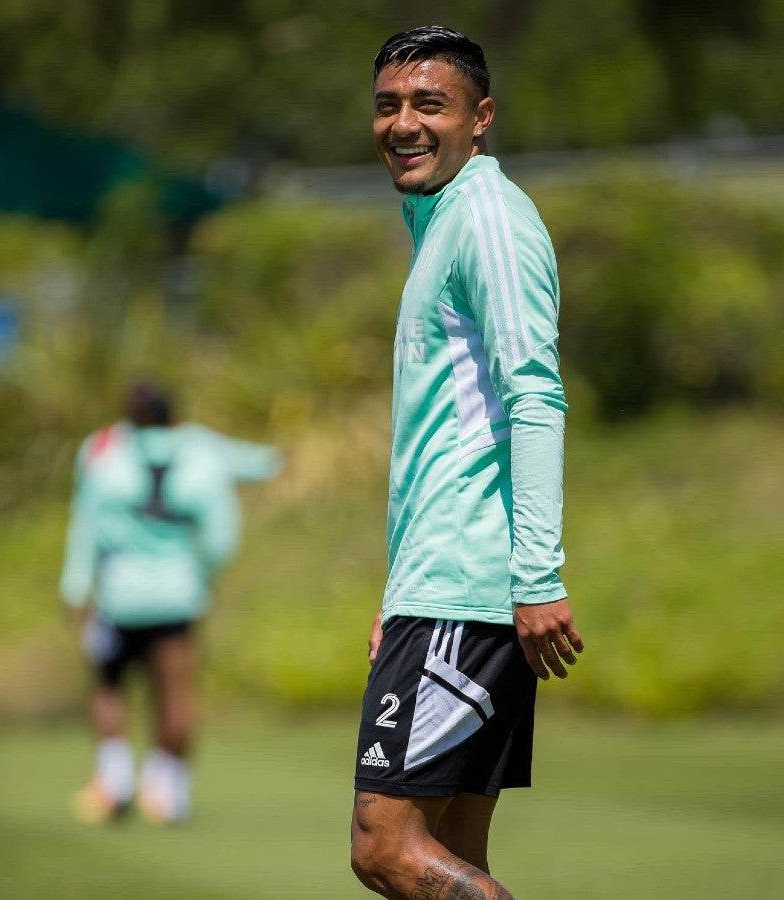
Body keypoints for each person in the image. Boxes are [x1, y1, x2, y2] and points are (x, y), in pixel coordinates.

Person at [351, 26, 585, 899]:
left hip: (469, 590)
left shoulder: (486, 218)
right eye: (388, 105)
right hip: (441, 588)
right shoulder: (442, 218)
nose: (403, 122)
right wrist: (397, 593)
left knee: (385, 846)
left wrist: (537, 576)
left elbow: (537, 398)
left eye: (429, 104)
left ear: (479, 118)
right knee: (454, 856)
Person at [60, 380, 281, 824]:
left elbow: (86, 525)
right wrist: (204, 571)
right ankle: (167, 791)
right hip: (179, 596)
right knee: (175, 691)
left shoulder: (102, 449)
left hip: (119, 596)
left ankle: (114, 782)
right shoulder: (201, 449)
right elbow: (235, 512)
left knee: (108, 685)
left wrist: (75, 587)